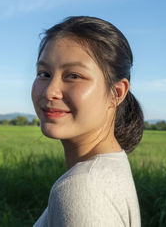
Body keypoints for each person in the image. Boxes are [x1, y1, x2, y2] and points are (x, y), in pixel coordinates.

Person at [32, 16, 144, 227]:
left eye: (73, 76)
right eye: (44, 73)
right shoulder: (107, 168)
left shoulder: (82, 187)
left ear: (117, 93)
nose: (50, 92)